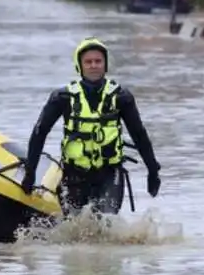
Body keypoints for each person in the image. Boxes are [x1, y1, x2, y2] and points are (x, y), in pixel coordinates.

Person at [21, 38, 162, 216]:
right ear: (79, 66)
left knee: (107, 220)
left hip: (109, 173)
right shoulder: (62, 97)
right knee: (76, 227)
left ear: (105, 64)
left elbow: (139, 135)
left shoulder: (121, 97)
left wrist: (152, 170)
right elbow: (39, 133)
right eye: (88, 62)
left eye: (98, 61)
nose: (94, 66)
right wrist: (30, 172)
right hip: (74, 174)